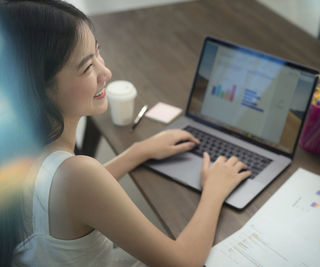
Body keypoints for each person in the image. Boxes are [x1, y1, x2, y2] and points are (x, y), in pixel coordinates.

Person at [0, 1, 251, 266]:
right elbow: (182, 262)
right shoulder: (78, 174)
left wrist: (137, 152)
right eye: (87, 67)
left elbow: (71, 195)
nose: (105, 72)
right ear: (40, 89)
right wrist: (214, 190)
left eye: (98, 52)